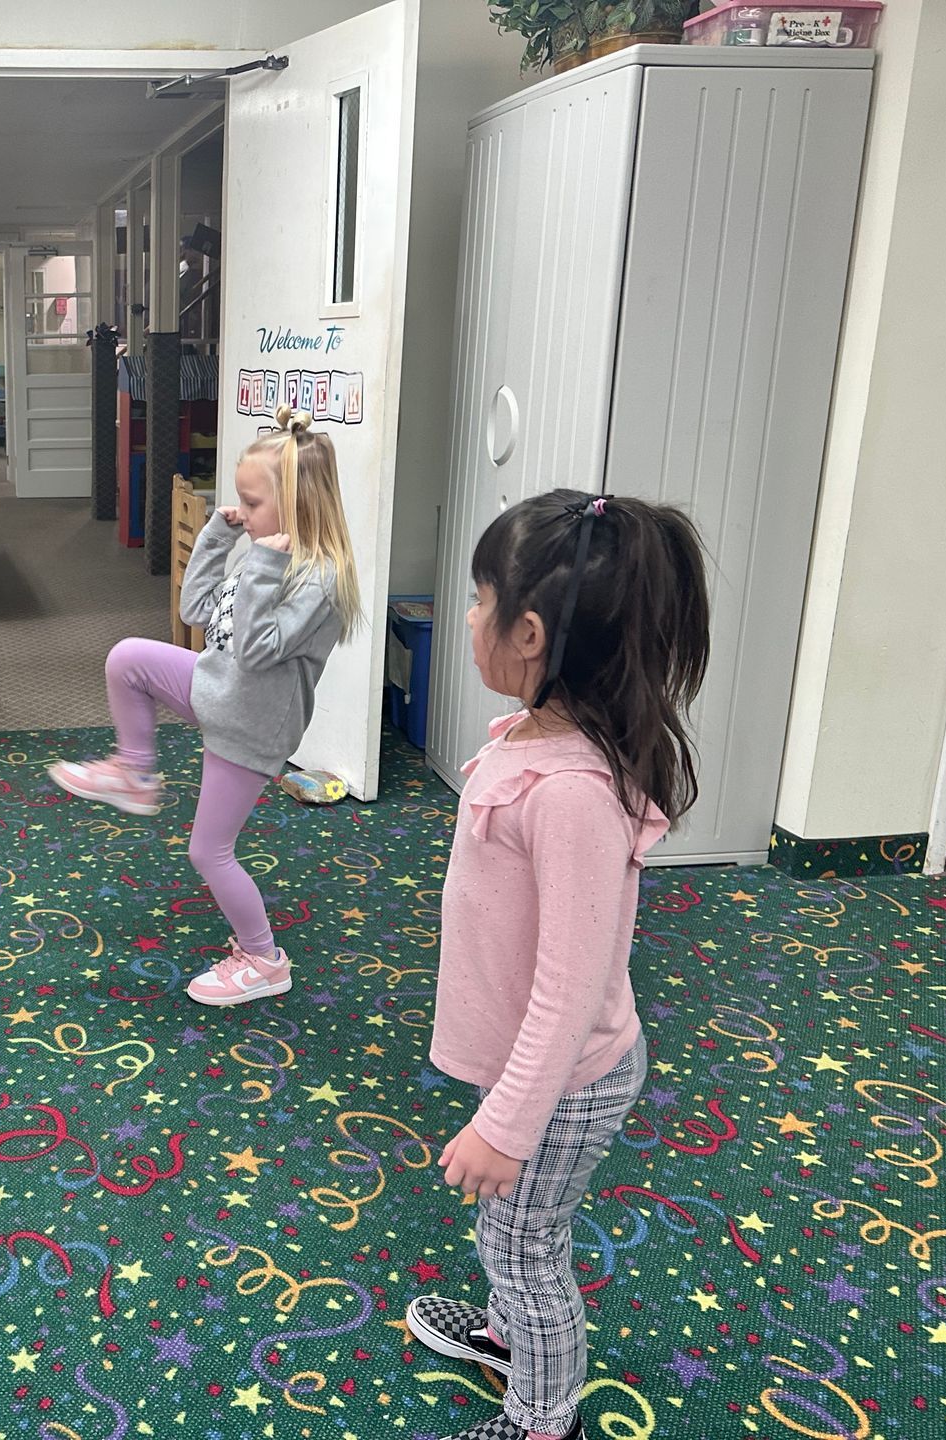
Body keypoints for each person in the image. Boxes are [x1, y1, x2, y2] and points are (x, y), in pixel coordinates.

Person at [406, 490, 710, 1440]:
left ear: (529, 633)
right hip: (539, 1068)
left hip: (568, 1079)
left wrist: (506, 1121)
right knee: (513, 1233)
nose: (466, 615)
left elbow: (572, 989)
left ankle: (545, 1417)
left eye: (477, 596)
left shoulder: (571, 792)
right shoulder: (533, 741)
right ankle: (506, 1335)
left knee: (524, 1239)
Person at [48, 404, 361, 1006]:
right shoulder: (262, 550)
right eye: (238, 499)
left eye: (252, 502)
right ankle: (134, 772)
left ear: (297, 506)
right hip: (217, 688)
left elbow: (256, 649)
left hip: (250, 725)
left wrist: (263, 565)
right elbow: (195, 611)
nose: (242, 511)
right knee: (127, 659)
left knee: (209, 852)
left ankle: (265, 959)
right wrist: (223, 536)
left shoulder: (319, 579)